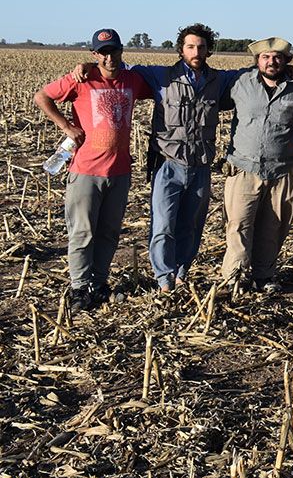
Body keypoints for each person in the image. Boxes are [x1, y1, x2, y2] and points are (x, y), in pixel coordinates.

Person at [70, 23, 252, 292]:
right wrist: (87, 63)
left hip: (200, 165)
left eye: (201, 47)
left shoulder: (220, 80)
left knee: (191, 226)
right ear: (181, 49)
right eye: (190, 46)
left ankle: (181, 273)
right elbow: (116, 66)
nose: (196, 51)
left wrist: (289, 70)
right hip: (168, 163)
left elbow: (252, 75)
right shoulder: (160, 76)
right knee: (163, 225)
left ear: (209, 50)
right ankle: (164, 279)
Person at [34, 29, 153, 309]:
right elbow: (42, 97)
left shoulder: (133, 80)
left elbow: (161, 86)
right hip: (86, 170)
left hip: (120, 171)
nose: (109, 57)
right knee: (82, 233)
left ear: (122, 51)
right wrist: (66, 126)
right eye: (103, 52)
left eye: (114, 51)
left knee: (110, 232)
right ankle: (78, 288)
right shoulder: (83, 79)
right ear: (94, 55)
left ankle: (99, 284)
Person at [220, 37, 293, 292]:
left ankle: (264, 275)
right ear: (257, 61)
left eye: (277, 57)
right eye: (266, 57)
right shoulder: (239, 82)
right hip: (243, 167)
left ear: (286, 61)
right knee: (238, 224)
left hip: (283, 169)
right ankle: (234, 277)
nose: (271, 62)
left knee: (274, 226)